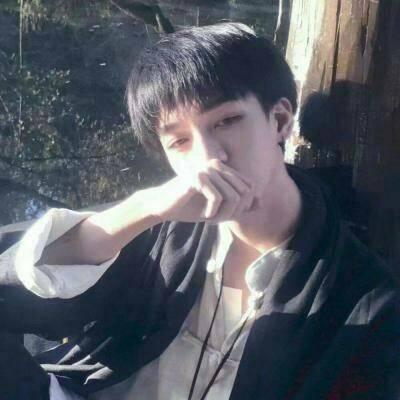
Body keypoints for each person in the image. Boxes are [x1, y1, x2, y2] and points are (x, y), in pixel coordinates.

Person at [0, 22, 399, 400]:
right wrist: (145, 207)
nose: (209, 157)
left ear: (279, 120)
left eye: (227, 121)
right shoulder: (160, 228)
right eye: (179, 142)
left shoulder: (363, 297)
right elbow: (18, 289)